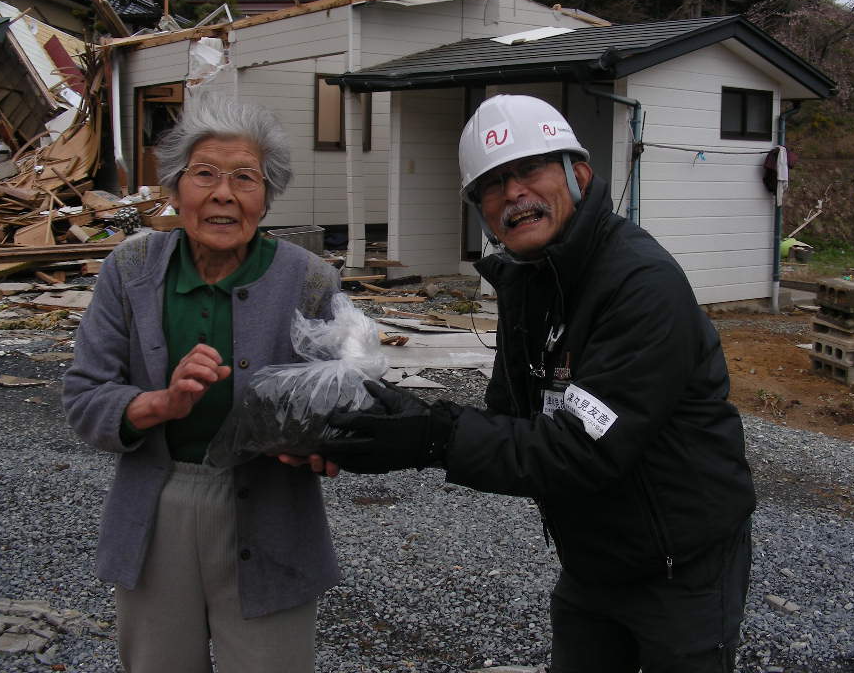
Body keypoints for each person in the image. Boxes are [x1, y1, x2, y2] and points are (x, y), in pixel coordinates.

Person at [322, 94, 757, 672]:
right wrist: (401, 421)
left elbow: (584, 448)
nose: (514, 194)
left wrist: (433, 438)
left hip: (682, 565)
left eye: (529, 170)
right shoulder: (529, 282)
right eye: (494, 185)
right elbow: (511, 420)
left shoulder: (639, 284)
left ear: (578, 174)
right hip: (593, 559)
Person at [63, 95, 340, 673]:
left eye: (245, 178)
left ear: (267, 197)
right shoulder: (131, 271)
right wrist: (160, 401)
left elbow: (341, 402)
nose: (223, 194)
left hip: (272, 511)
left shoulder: (310, 280)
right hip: (158, 505)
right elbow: (85, 397)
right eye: (205, 174)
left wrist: (326, 441)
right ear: (173, 189)